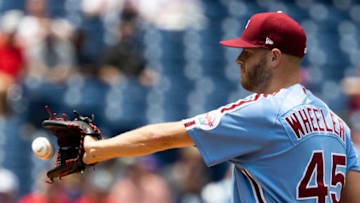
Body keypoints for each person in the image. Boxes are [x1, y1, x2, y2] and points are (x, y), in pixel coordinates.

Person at [82, 12, 360, 202]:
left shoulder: (265, 111)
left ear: (275, 57)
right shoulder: (336, 124)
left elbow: (164, 136)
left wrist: (97, 150)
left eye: (248, 53)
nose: (239, 60)